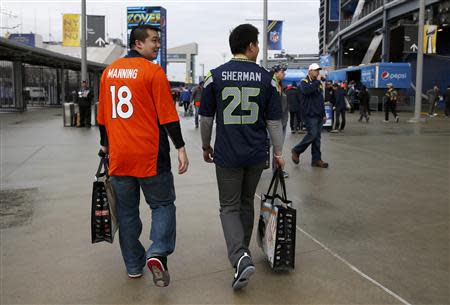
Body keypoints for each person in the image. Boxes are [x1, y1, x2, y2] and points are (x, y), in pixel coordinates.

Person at [97, 24, 189, 286]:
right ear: (138, 44)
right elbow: (168, 116)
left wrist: (105, 146)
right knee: (162, 204)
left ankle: (134, 265)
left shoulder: (109, 72)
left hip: (120, 157)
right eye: (153, 41)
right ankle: (157, 252)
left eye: (158, 40)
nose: (157, 45)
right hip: (150, 156)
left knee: (126, 213)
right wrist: (180, 147)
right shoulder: (152, 71)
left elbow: (102, 118)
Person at [199, 23, 285, 290]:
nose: (258, 48)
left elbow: (205, 118)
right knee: (247, 202)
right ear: (250, 46)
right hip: (256, 154)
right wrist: (279, 152)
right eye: (257, 44)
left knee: (229, 206)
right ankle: (243, 253)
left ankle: (239, 256)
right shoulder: (267, 80)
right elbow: (274, 123)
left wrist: (205, 145)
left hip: (227, 154)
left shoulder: (215, 76)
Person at [291, 63, 328, 168]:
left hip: (319, 114)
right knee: (312, 134)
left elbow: (320, 100)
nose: (317, 72)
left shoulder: (318, 83)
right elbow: (307, 91)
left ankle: (316, 160)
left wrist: (324, 114)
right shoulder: (304, 82)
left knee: (317, 138)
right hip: (309, 114)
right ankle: (296, 150)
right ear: (310, 71)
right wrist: (317, 81)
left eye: (318, 70)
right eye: (316, 70)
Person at [271, 64, 289, 178]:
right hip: (274, 121)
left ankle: (277, 170)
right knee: (274, 146)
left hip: (282, 120)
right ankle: (276, 170)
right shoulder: (271, 85)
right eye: (282, 71)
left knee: (278, 147)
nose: (284, 74)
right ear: (275, 72)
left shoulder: (280, 85)